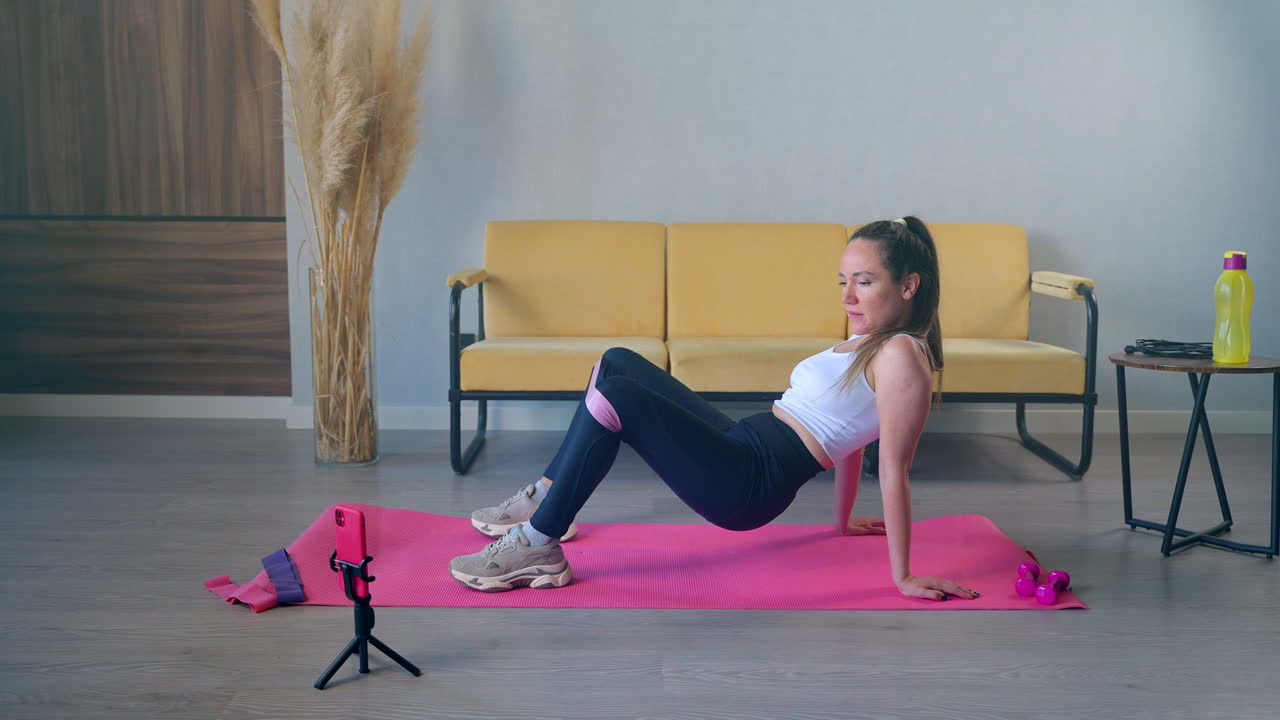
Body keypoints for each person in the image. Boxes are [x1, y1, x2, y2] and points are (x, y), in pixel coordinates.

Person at [449, 217, 980, 602]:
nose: (847, 297)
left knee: (621, 398)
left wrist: (903, 577)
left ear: (908, 285)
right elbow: (853, 432)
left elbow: (894, 468)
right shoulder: (871, 340)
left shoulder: (903, 356)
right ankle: (547, 499)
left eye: (864, 282)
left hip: (749, 483)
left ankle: (539, 543)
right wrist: (840, 522)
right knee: (617, 364)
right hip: (746, 442)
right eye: (844, 282)